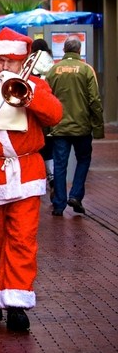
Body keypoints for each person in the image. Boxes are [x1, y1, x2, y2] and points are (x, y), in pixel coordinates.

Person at [0, 27, 63, 332]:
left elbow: (55, 115)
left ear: (22, 61)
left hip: (25, 171)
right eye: (0, 60)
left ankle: (17, 302)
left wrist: (29, 95)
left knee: (22, 238)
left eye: (11, 61)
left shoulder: (35, 84)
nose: (5, 67)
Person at [45, 36, 104, 217]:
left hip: (59, 127)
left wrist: (47, 127)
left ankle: (59, 204)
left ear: (64, 50)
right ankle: (76, 195)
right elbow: (94, 100)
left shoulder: (53, 70)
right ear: (79, 50)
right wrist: (98, 126)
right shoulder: (86, 70)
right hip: (82, 126)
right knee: (84, 160)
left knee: (60, 165)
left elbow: (46, 99)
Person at [30, 38, 56, 198]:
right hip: (48, 108)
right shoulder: (52, 64)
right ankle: (52, 178)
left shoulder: (30, 64)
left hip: (34, 109)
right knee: (49, 148)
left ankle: (35, 181)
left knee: (33, 146)